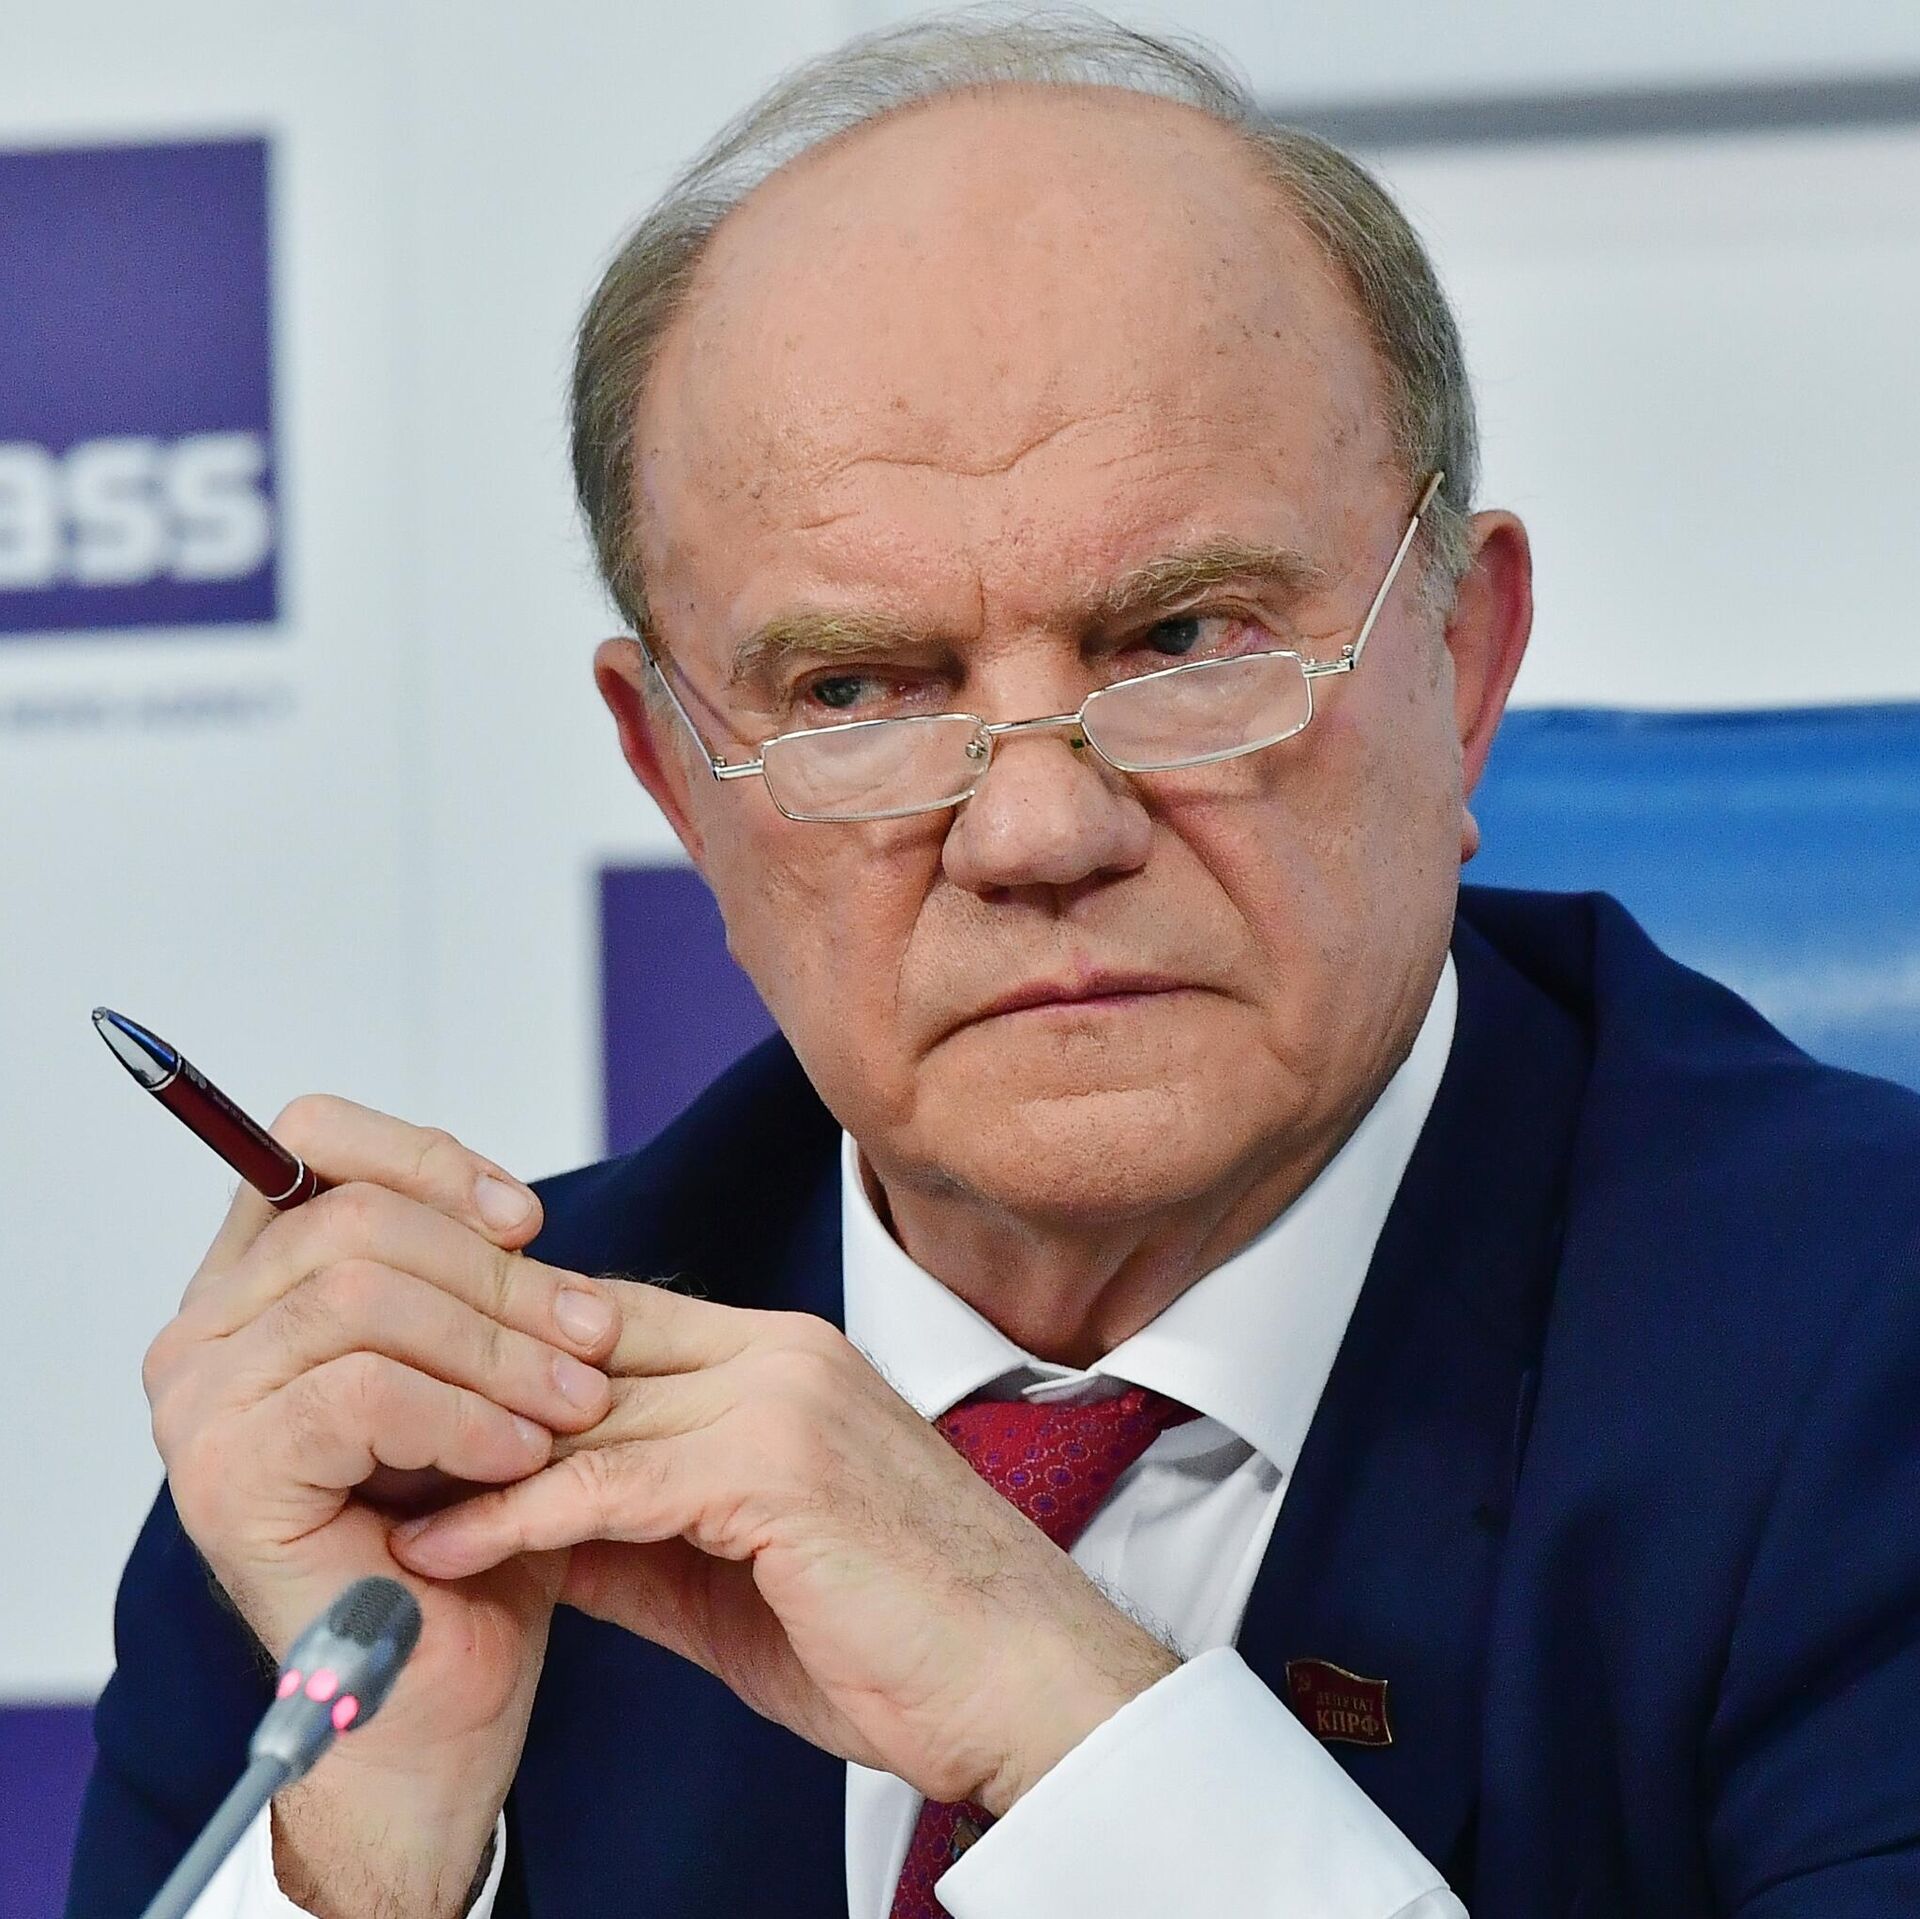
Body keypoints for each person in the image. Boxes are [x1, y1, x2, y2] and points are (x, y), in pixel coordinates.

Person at [67, 13, 1920, 1919]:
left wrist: (1069, 1722)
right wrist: (378, 1851)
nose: (1036, 829)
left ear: (1458, 664)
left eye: (1182, 640)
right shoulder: (424, 1455)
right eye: (856, 690)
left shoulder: (1867, 1356)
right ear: (678, 780)